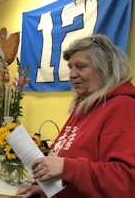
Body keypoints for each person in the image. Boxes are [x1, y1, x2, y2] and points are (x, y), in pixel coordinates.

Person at [16, 34, 135, 198]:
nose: (72, 74)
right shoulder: (84, 105)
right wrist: (46, 189)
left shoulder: (122, 107)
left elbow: (126, 183)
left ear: (105, 67)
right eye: (71, 67)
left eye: (81, 66)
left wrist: (68, 168)